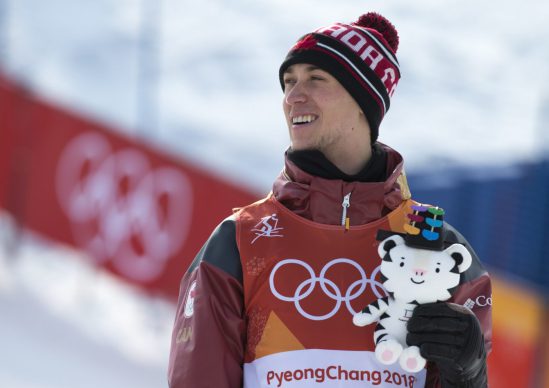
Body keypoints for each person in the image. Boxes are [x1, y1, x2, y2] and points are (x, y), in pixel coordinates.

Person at [168, 11, 491, 388]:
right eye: (288, 82)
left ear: (363, 103)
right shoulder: (239, 240)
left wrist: (468, 373)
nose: (293, 97)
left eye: (315, 79)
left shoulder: (437, 247)